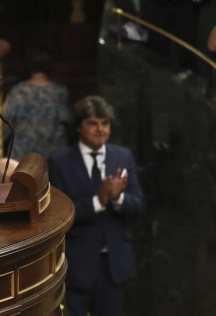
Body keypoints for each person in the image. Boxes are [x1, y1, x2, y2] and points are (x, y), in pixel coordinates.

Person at [48, 96, 146, 316]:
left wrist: (117, 198)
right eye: (93, 123)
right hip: (77, 266)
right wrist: (97, 202)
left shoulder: (123, 156)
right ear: (79, 127)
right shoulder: (59, 161)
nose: (100, 129)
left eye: (105, 123)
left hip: (114, 267)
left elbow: (139, 205)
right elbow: (57, 215)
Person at [3, 47, 71, 160]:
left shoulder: (18, 91)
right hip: (52, 149)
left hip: (22, 150)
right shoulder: (59, 92)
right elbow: (67, 119)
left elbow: (6, 120)